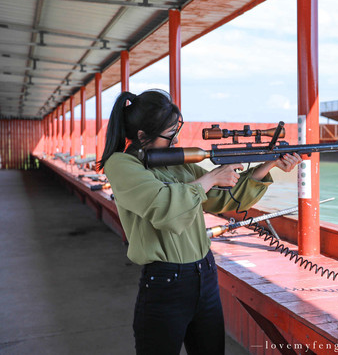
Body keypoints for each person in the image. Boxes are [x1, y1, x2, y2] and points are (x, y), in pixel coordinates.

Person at [98, 89, 301, 355]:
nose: (176, 139)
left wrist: (268, 164)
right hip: (165, 283)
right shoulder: (121, 165)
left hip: (205, 274)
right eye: (169, 134)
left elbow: (222, 198)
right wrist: (210, 178)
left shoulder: (176, 162)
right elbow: (163, 206)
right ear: (142, 135)